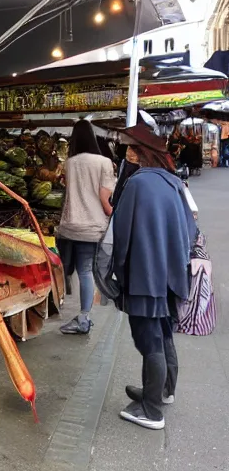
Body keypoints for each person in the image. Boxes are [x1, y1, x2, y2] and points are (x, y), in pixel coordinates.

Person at [112, 123, 197, 430]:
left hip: (145, 274)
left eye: (128, 148)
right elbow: (192, 229)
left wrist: (116, 273)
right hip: (171, 273)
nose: (125, 153)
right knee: (163, 334)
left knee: (150, 340)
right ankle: (162, 390)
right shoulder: (172, 181)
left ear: (139, 152)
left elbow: (121, 235)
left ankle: (151, 410)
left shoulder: (138, 183)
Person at [57, 119, 115, 334]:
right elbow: (104, 196)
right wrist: (112, 212)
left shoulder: (70, 162)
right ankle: (83, 318)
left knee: (74, 269)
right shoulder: (103, 162)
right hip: (93, 225)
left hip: (70, 225)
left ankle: (77, 315)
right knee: (86, 271)